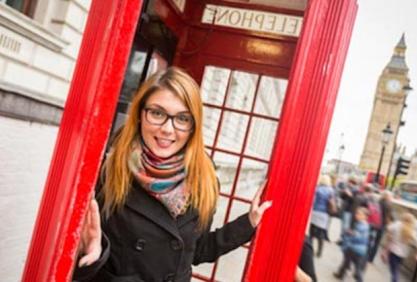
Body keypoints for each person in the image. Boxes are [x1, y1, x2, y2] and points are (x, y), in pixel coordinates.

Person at [72, 67, 272, 281]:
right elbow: (89, 247)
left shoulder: (204, 178)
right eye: (157, 113)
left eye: (182, 119)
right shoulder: (110, 169)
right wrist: (91, 254)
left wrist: (247, 224)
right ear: (140, 114)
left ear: (193, 126)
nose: (168, 129)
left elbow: (197, 250)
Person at [333, 207, 370, 282]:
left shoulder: (363, 226)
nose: (356, 215)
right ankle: (340, 274)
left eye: (359, 214)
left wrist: (350, 233)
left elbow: (360, 238)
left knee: (351, 265)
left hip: (354, 249)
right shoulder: (364, 225)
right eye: (356, 213)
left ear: (365, 217)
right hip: (360, 250)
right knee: (350, 264)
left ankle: (340, 274)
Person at [382, 212, 417, 282]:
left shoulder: (398, 224)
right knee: (396, 269)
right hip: (403, 254)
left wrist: (391, 235)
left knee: (394, 271)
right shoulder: (412, 230)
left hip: (394, 251)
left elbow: (388, 228)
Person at [309, 174, 335, 257]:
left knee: (312, 233)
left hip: (315, 212)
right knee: (321, 234)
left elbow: (312, 200)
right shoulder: (331, 190)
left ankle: (311, 250)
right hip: (324, 214)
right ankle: (319, 252)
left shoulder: (317, 189)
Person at [368, 190, 394, 262]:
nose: (391, 197)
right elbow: (390, 217)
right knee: (376, 242)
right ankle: (370, 258)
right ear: (388, 196)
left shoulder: (378, 201)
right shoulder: (389, 205)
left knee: (370, 238)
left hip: (373, 223)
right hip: (381, 226)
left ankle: (366, 253)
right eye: (391, 196)